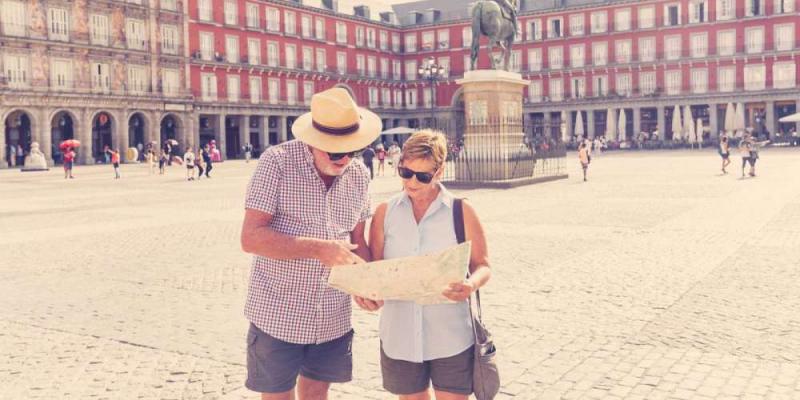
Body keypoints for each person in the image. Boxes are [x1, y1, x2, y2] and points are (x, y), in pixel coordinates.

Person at [239, 87, 381, 400]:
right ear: (312, 141)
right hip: (278, 314)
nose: (344, 159)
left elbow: (358, 240)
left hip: (332, 317)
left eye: (351, 150)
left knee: (317, 397)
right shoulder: (276, 163)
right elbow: (250, 238)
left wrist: (367, 285)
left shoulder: (358, 174)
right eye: (335, 152)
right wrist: (318, 248)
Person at [358, 130, 492, 400]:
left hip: (451, 336)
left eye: (423, 176)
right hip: (400, 336)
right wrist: (367, 294)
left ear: (439, 171)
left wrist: (470, 284)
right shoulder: (385, 213)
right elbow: (375, 272)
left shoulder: (461, 211)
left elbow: (483, 265)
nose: (412, 182)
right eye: (406, 172)